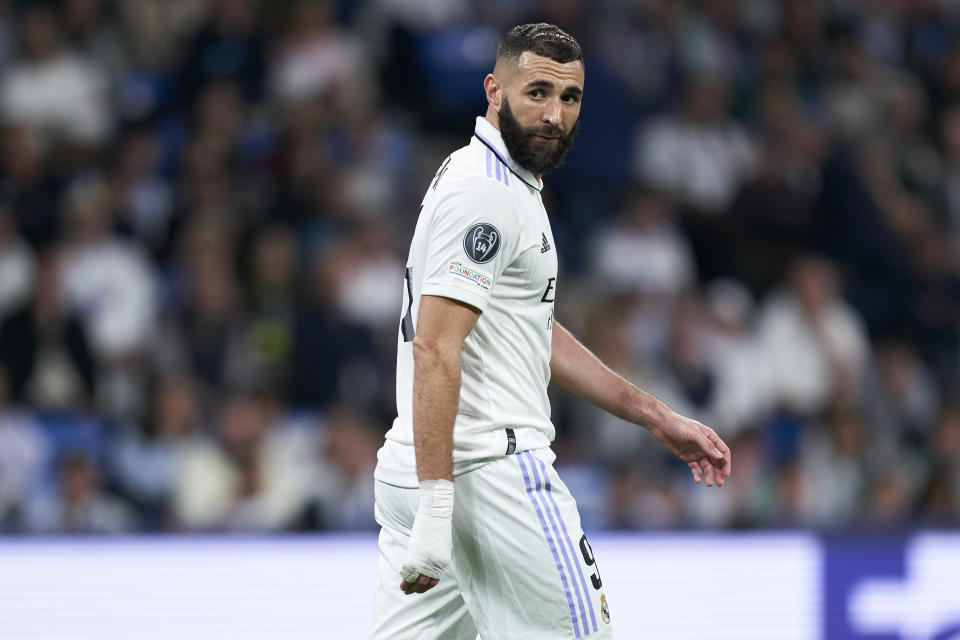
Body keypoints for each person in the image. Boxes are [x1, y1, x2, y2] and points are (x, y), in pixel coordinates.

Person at [369, 23, 732, 640]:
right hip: (488, 477)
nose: (553, 114)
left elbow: (529, 326)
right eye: (537, 92)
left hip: (425, 469)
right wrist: (438, 499)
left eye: (569, 99)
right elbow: (434, 345)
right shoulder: (488, 193)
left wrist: (653, 414)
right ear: (493, 90)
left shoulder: (488, 176)